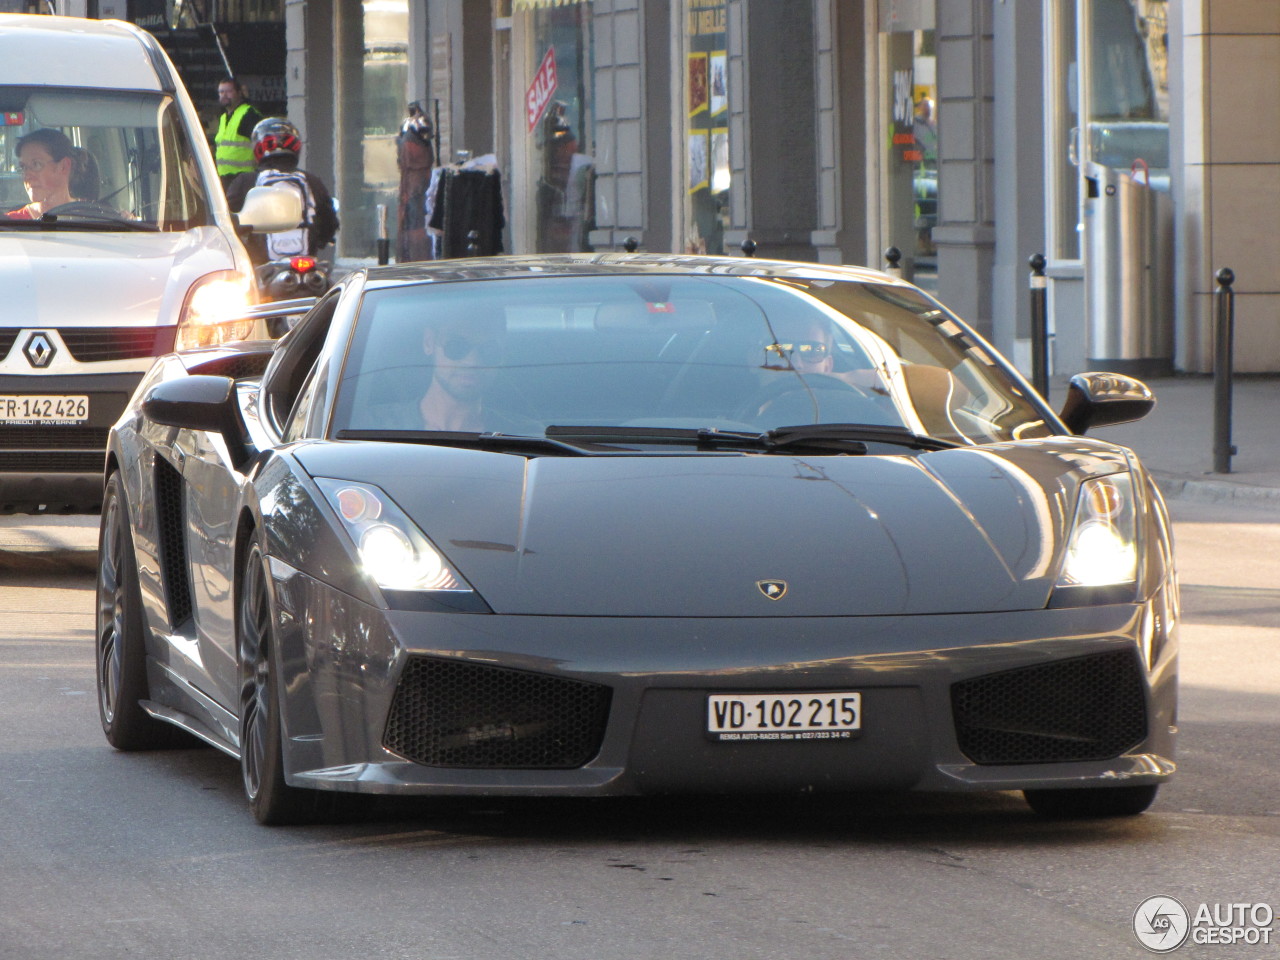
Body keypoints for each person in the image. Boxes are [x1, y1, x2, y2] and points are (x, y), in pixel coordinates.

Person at [224, 117, 338, 267]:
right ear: (296, 147)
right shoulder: (312, 181)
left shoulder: (246, 182)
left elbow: (225, 219)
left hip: (261, 266)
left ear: (258, 147)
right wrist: (322, 239)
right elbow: (329, 220)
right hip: (307, 265)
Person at [5, 128, 100, 219]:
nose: (27, 176)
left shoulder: (94, 219)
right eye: (23, 167)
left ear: (64, 166)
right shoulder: (10, 224)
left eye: (36, 164)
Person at [395, 101, 434, 262]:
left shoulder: (420, 123)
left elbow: (426, 137)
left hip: (418, 178)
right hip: (409, 179)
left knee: (417, 215)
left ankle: (417, 255)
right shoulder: (407, 126)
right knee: (409, 217)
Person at [213, 77, 263, 189]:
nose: (224, 95)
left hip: (243, 179)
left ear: (239, 93)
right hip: (224, 178)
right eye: (221, 92)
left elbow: (261, 144)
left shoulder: (248, 114)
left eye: (229, 91)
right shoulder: (223, 118)